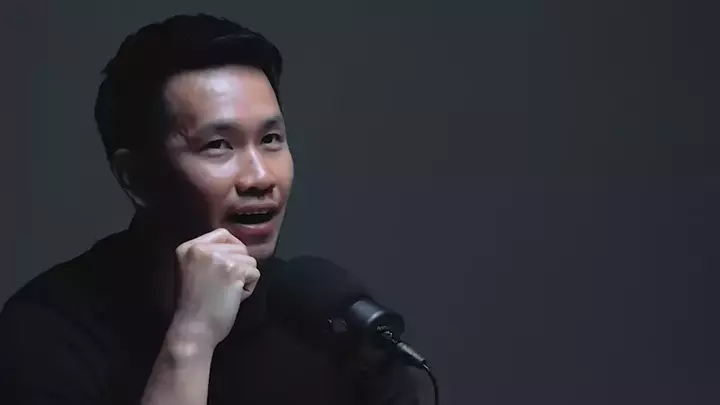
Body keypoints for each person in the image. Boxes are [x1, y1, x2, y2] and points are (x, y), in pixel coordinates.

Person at [0, 14, 418, 405]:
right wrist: (192, 336)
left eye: (271, 139)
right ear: (136, 177)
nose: (260, 176)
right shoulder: (47, 333)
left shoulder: (330, 321)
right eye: (218, 145)